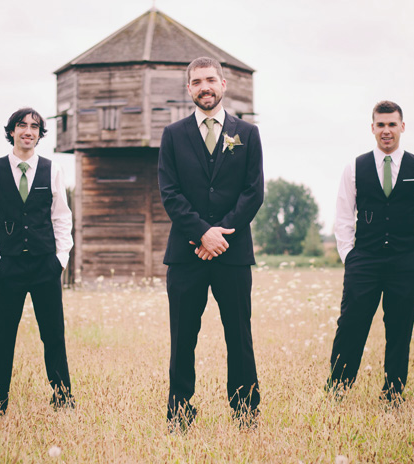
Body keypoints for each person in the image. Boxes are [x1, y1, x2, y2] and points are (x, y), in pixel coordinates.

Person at [158, 57, 264, 430]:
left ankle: (246, 412)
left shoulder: (247, 134)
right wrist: (201, 233)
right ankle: (180, 414)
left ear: (223, 84)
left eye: (210, 80)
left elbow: (253, 193)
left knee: (239, 336)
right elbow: (169, 194)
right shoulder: (172, 135)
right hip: (186, 256)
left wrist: (220, 234)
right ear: (189, 89)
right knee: (182, 339)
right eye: (197, 82)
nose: (205, 87)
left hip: (233, 256)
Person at [328, 100, 414, 404]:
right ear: (372, 128)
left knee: (400, 328)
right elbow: (342, 217)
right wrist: (349, 256)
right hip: (364, 259)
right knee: (351, 324)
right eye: (381, 124)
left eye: (392, 124)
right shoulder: (354, 167)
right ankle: (338, 388)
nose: (386, 130)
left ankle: (393, 392)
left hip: (406, 262)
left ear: (402, 127)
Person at [0, 107, 74, 415]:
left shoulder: (52, 169)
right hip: (10, 267)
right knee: (3, 336)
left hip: (46, 265)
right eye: (22, 125)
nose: (28, 131)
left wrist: (60, 259)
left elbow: (62, 218)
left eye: (34, 126)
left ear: (40, 134)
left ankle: (63, 398)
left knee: (53, 335)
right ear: (12, 131)